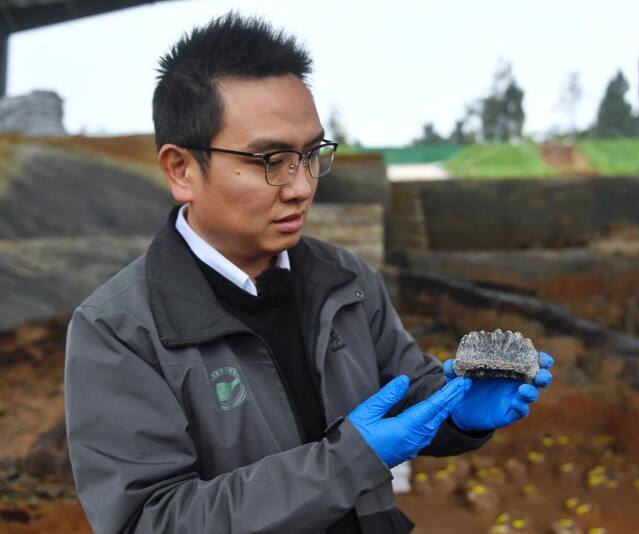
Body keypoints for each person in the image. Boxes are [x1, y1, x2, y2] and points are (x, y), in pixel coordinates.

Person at [64, 12, 554, 534]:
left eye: (311, 153)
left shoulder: (345, 280)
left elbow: (405, 392)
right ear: (181, 169)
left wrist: (455, 411)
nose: (300, 186)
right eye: (270, 159)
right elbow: (150, 522)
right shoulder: (118, 331)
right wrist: (346, 462)